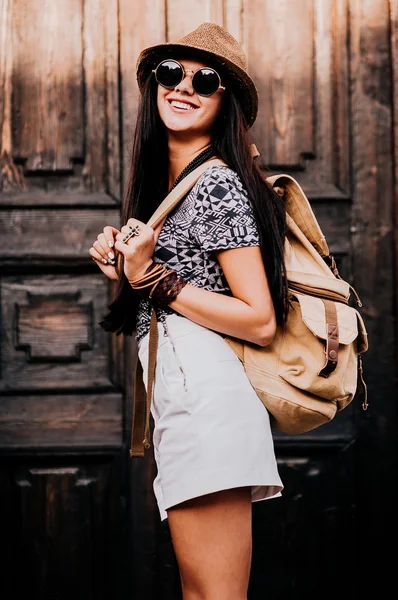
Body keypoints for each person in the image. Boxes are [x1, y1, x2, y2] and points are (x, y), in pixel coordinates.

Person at [89, 21, 288, 600]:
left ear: (227, 102)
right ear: (154, 84)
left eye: (207, 80)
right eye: (172, 73)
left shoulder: (217, 186)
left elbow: (259, 319)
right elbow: (178, 303)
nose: (185, 87)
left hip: (211, 405)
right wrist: (127, 274)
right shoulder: (170, 189)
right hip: (185, 401)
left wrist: (151, 276)